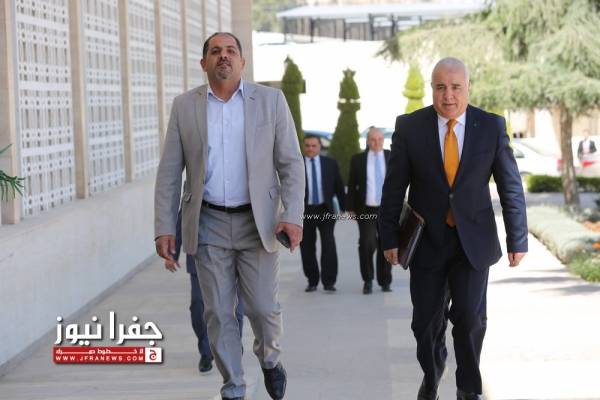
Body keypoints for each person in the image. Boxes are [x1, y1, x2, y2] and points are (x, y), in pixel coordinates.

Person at [154, 32, 305, 400]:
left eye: (231, 51)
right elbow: (170, 172)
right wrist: (164, 227)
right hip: (208, 223)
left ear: (242, 61)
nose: (223, 56)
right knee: (218, 313)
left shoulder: (270, 101)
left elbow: (290, 163)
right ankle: (233, 386)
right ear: (203, 62)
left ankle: (270, 359)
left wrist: (293, 215)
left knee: (263, 309)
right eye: (215, 51)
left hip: (259, 223)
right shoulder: (185, 106)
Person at [379, 57, 528, 400]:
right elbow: (393, 188)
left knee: (470, 319)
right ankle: (433, 373)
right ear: (432, 89)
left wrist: (517, 237)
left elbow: (510, 186)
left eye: (456, 87)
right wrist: (388, 237)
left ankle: (468, 388)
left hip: (472, 242)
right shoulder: (409, 127)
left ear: (468, 88)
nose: (448, 95)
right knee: (424, 323)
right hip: (426, 242)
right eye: (441, 87)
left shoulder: (490, 126)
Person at [163, 208, 244, 374]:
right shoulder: (195, 195)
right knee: (198, 304)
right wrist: (172, 254)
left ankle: (233, 346)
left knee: (235, 307)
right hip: (199, 257)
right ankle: (206, 352)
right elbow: (182, 221)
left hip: (232, 256)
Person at [346, 127, 392, 294]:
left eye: (380, 139)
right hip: (366, 209)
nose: (377, 142)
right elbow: (352, 184)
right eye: (373, 139)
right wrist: (350, 207)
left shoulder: (391, 156)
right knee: (367, 243)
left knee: (386, 244)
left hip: (388, 209)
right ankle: (368, 280)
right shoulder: (358, 159)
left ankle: (385, 281)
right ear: (367, 141)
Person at [300, 134, 345, 293]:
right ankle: (312, 281)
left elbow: (339, 187)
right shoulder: (297, 164)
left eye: (314, 145)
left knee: (328, 245)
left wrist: (345, 207)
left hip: (325, 210)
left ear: (320, 147)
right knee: (307, 247)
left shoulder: (330, 164)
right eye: (307, 145)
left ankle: (329, 281)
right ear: (304, 147)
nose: (310, 149)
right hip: (305, 211)